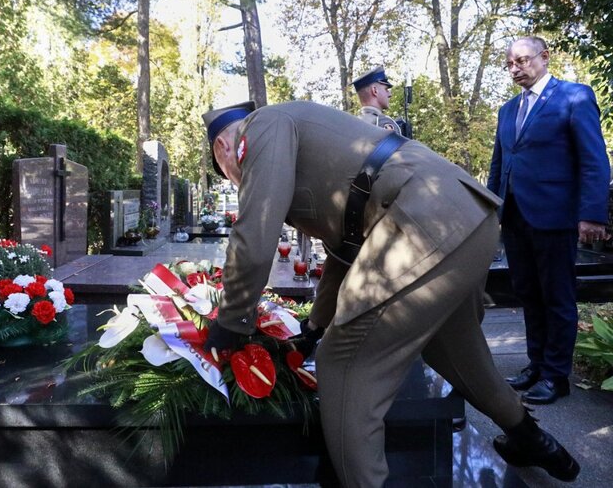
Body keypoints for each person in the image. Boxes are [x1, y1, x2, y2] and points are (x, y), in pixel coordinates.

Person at [201, 100, 579, 487]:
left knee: (344, 363)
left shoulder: (261, 125)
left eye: (230, 175)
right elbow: (345, 251)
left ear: (223, 149)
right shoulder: (304, 135)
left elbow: (256, 230)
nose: (237, 180)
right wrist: (314, 326)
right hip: (462, 219)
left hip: (421, 224)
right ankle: (531, 438)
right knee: (455, 350)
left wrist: (232, 321)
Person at [488, 36, 610, 405]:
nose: (515, 69)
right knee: (527, 293)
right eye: (509, 64)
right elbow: (499, 164)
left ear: (544, 57)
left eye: (522, 61)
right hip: (515, 216)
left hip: (555, 216)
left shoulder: (573, 96)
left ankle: (557, 376)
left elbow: (593, 159)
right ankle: (536, 365)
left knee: (557, 297)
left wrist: (591, 214)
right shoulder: (508, 110)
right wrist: (491, 207)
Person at [353, 66, 402, 134]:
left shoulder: (353, 124)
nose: (390, 94)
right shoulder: (383, 123)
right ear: (375, 91)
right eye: (386, 89)